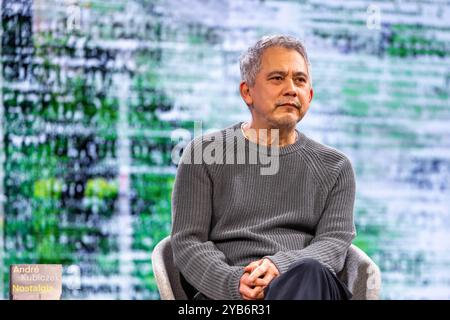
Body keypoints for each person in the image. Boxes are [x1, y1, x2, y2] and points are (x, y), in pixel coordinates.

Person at [170, 35, 356, 300]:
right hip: (232, 294)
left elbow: (334, 244)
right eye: (277, 78)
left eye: (300, 80)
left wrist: (281, 266)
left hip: (309, 286)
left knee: (311, 273)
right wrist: (236, 283)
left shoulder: (335, 167)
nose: (291, 89)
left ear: (310, 95)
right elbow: (188, 244)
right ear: (247, 92)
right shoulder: (203, 155)